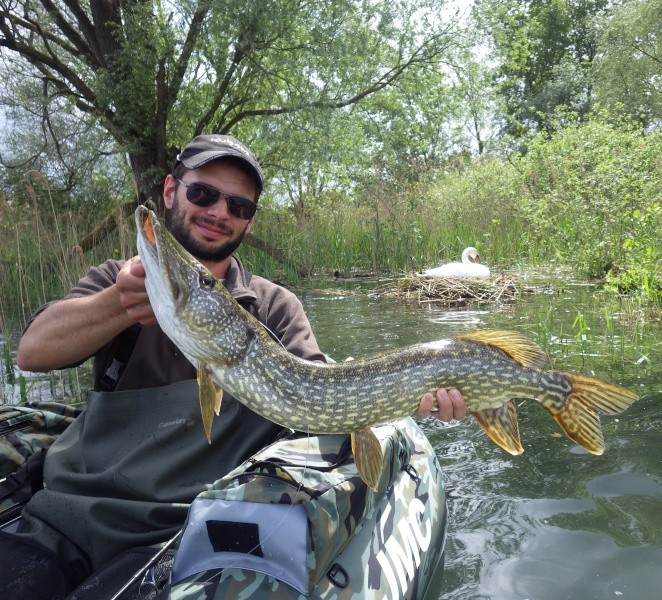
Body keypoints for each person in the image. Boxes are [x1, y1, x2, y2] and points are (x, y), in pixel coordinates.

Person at [4, 134, 466, 599]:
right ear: (171, 190)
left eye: (239, 206)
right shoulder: (116, 280)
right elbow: (32, 353)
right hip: (64, 515)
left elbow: (323, 410)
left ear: (248, 220)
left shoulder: (275, 307)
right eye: (203, 193)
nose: (219, 212)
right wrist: (118, 305)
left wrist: (413, 397)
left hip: (175, 532)